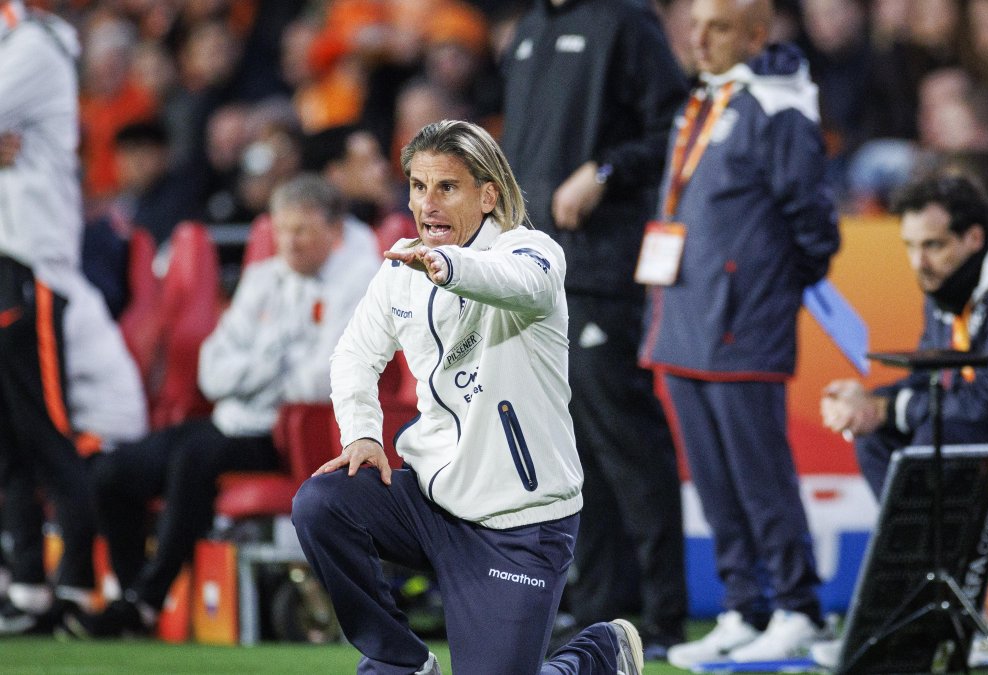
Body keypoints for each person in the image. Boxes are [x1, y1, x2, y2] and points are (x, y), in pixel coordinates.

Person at [291, 120, 644, 675]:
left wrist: (446, 266)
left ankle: (594, 658)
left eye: (446, 188)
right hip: (434, 504)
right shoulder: (399, 271)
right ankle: (399, 662)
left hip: (520, 524)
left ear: (488, 194)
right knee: (322, 502)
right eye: (417, 186)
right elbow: (353, 356)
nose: (427, 204)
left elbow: (514, 281)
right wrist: (361, 431)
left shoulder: (533, 252)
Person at [63, 175, 381, 637]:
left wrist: (249, 374)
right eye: (282, 230)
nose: (290, 243)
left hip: (287, 433)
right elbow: (212, 371)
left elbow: (319, 379)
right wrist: (268, 371)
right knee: (115, 470)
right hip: (232, 418)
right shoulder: (263, 276)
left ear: (333, 233)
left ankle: (150, 601)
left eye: (303, 231)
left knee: (194, 459)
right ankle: (132, 599)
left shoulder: (359, 281)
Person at [636, 0, 838, 666]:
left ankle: (798, 606)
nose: (699, 39)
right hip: (686, 317)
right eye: (694, 26)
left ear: (756, 35)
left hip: (742, 320)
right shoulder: (706, 98)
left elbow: (812, 223)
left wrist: (761, 285)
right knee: (716, 480)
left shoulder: (779, 106)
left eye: (717, 27)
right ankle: (743, 605)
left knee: (760, 477)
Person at [500, 0, 690, 655]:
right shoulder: (529, 29)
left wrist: (606, 171)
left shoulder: (626, 21)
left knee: (626, 438)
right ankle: (604, 607)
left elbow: (676, 124)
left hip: (601, 264)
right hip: (534, 272)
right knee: (571, 448)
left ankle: (665, 613)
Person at [0, 0, 147, 633]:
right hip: (17, 259)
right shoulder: (24, 46)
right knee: (12, 441)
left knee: (47, 434)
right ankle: (30, 587)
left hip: (36, 266)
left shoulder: (35, 48)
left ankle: (78, 583)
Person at [821, 175, 988, 498]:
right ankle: (914, 549)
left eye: (932, 245)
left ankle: (951, 549)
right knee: (875, 438)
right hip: (982, 426)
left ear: (974, 237)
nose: (917, 263)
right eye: (910, 246)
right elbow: (929, 376)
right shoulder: (946, 284)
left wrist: (888, 408)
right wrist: (867, 402)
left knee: (935, 439)